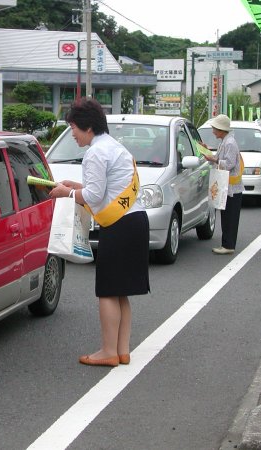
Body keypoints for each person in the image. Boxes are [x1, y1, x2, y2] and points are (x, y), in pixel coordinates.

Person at [49, 97, 150, 367]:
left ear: (87, 127)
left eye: (73, 128)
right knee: (121, 291)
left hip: (118, 227)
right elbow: (107, 189)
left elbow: (93, 196)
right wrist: (76, 186)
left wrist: (67, 192)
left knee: (107, 291)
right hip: (135, 221)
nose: (73, 134)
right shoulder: (116, 147)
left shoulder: (94, 152)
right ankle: (122, 350)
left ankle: (107, 352)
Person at [203, 114, 244, 255]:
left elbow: (229, 164)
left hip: (232, 187)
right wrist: (208, 153)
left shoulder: (230, 143)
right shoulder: (225, 142)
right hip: (227, 186)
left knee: (230, 218)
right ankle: (226, 244)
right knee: (226, 216)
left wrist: (213, 160)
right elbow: (218, 159)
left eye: (214, 128)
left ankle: (228, 245)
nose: (213, 131)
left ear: (221, 129)